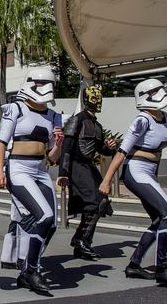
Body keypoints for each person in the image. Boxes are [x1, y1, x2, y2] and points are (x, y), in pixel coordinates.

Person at [99, 79, 167, 285]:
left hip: (149, 172)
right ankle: (162, 269)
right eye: (156, 90)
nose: (161, 93)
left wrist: (155, 176)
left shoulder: (165, 118)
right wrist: (107, 180)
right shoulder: (142, 120)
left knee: (159, 219)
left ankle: (134, 265)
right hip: (135, 171)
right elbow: (122, 152)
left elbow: (158, 152)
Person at [0, 68, 63, 294]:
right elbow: (2, 142)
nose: (46, 86)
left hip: (41, 170)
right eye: (42, 82)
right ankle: (31, 270)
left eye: (49, 82)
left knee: (50, 223)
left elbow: (52, 157)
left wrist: (59, 143)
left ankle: (27, 268)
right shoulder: (16, 108)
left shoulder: (54, 115)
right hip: (19, 168)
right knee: (44, 216)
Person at [57, 84, 116, 259]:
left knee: (102, 201)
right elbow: (67, 147)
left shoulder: (96, 125)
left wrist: (109, 147)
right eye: (93, 97)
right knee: (92, 202)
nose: (96, 100)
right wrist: (63, 172)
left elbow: (100, 149)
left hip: (88, 166)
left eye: (98, 97)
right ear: (85, 99)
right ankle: (80, 240)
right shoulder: (77, 119)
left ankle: (82, 242)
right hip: (76, 166)